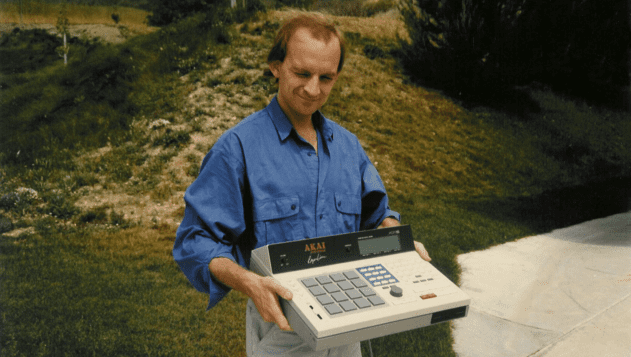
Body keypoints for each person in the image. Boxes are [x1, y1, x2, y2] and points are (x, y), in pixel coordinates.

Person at [173, 12, 431, 356]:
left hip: (351, 319)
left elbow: (377, 215)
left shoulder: (348, 147)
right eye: (302, 73)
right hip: (283, 329)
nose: (313, 89)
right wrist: (249, 282)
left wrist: (398, 240)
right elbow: (195, 240)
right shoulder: (238, 148)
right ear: (275, 65)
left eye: (326, 77)